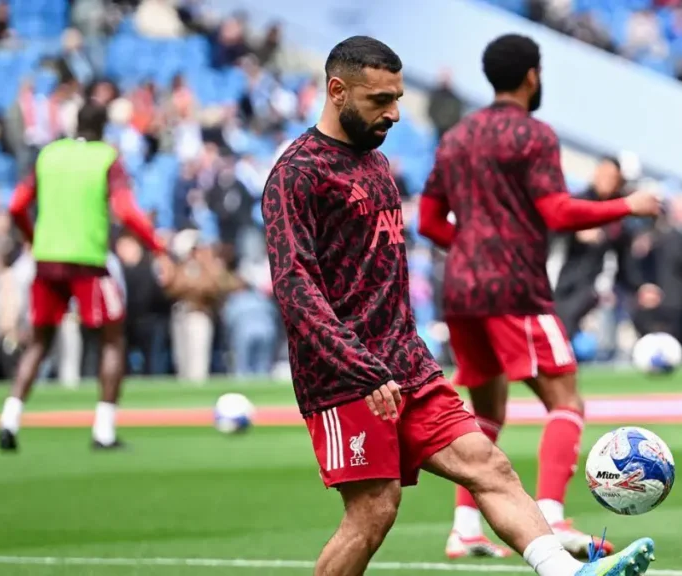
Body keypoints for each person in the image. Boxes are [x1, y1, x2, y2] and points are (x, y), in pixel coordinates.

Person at [263, 35, 655, 576]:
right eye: (381, 100)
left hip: (408, 364)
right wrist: (359, 366)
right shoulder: (297, 173)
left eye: (398, 97)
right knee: (373, 511)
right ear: (337, 91)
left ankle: (570, 574)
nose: (396, 113)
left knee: (489, 464)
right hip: (345, 377)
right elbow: (294, 285)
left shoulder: (377, 164)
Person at [417, 33, 661, 560]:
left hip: (460, 290)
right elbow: (557, 212)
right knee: (565, 400)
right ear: (532, 75)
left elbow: (429, 220)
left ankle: (465, 527)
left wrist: (473, 249)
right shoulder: (533, 134)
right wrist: (628, 205)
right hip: (515, 288)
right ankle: (550, 515)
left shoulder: (456, 136)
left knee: (484, 412)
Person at [0, 101, 167, 452]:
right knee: (112, 338)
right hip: (88, 260)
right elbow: (125, 210)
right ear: (104, 127)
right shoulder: (106, 157)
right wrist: (156, 245)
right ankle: (103, 429)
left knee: (40, 341)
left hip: (46, 259)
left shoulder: (49, 155)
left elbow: (16, 204)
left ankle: (9, 419)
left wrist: (32, 238)